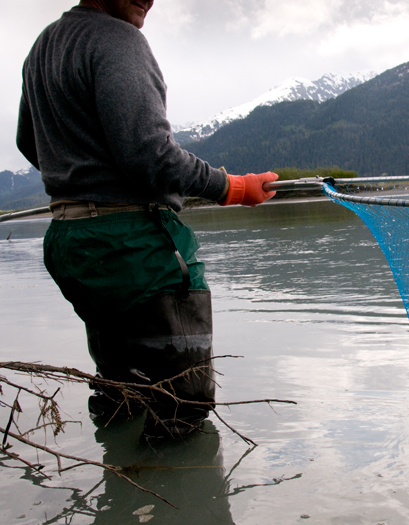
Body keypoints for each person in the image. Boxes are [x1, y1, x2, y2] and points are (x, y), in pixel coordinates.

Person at [16, 0, 278, 439]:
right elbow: (150, 155)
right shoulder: (117, 39)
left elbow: (30, 143)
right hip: (133, 245)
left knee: (122, 388)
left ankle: (118, 484)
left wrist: (81, 176)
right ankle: (181, 500)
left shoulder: (44, 45)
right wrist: (233, 187)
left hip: (70, 242)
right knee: (182, 403)